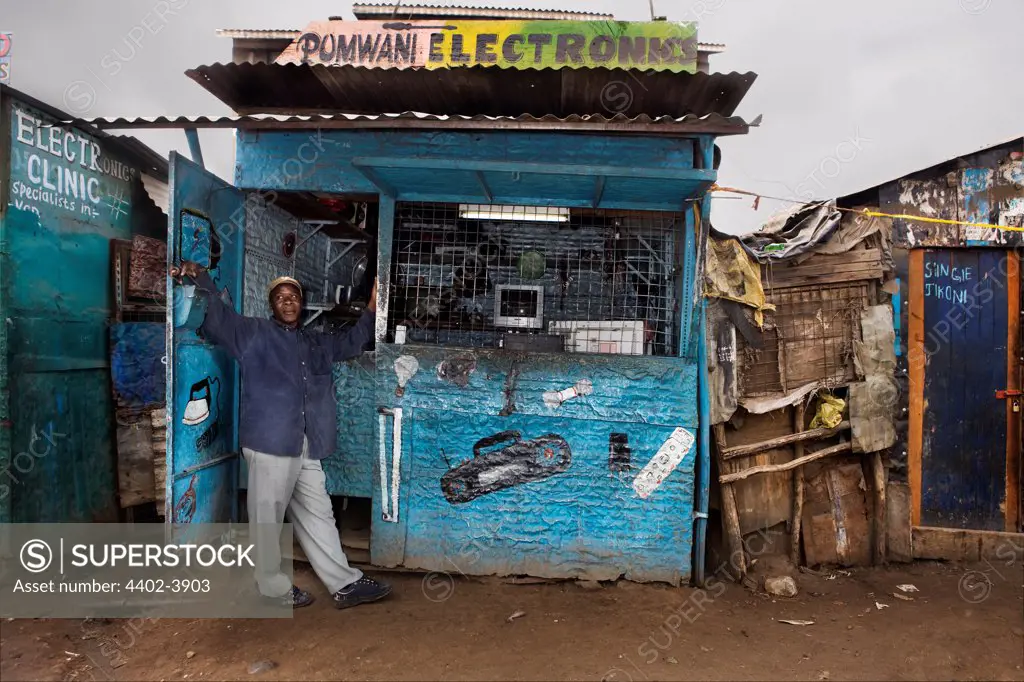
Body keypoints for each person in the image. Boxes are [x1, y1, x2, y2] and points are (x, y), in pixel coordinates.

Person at [169, 259, 392, 610]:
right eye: (280, 297)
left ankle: (344, 584)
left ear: (301, 304)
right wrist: (203, 279)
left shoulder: (316, 343)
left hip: (306, 443)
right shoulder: (252, 333)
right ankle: (271, 589)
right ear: (272, 305)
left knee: (320, 514)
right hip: (271, 442)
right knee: (267, 518)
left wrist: (372, 307)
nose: (288, 302)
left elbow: (353, 342)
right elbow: (217, 318)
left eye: (294, 297)